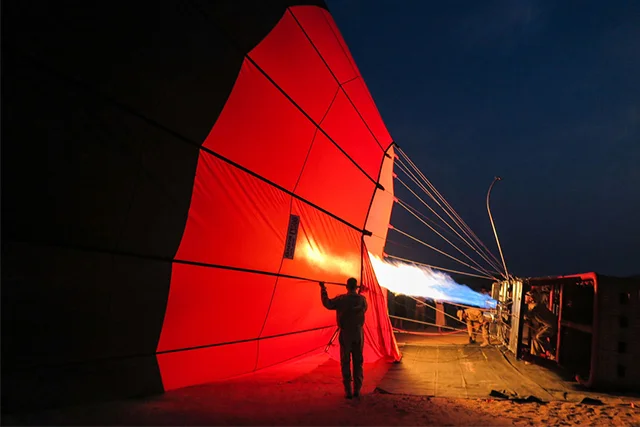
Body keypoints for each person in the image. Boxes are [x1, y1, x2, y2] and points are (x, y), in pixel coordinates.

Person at [319, 278, 368, 399]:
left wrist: (323, 289)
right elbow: (362, 308)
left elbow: (327, 303)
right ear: (356, 287)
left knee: (345, 361)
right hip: (358, 333)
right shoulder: (362, 300)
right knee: (358, 362)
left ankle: (348, 391)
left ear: (347, 286)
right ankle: (357, 390)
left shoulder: (341, 299)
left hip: (346, 333)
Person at [524, 290, 557, 359]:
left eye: (526, 296)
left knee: (539, 336)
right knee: (535, 337)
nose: (525, 297)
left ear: (531, 298)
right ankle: (535, 355)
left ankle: (551, 353)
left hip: (550, 326)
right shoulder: (532, 306)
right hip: (545, 325)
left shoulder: (536, 307)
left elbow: (529, 315)